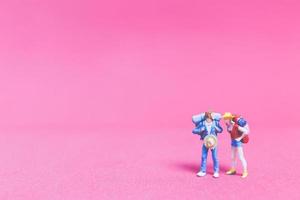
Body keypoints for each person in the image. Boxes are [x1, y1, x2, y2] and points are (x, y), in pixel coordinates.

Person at [192, 112, 223, 178]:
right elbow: (194, 131)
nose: (209, 120)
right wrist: (201, 129)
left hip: (213, 142)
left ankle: (216, 171)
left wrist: (215, 128)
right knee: (203, 156)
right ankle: (203, 171)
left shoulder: (215, 123)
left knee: (215, 157)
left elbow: (220, 130)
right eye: (208, 118)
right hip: (206, 142)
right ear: (205, 118)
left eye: (210, 118)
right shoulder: (202, 123)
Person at [223, 112, 249, 178]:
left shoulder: (236, 126)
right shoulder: (228, 125)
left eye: (226, 118)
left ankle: (245, 171)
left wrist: (240, 138)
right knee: (232, 157)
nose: (224, 120)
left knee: (241, 157)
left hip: (238, 143)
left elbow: (246, 131)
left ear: (229, 119)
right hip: (233, 142)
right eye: (224, 118)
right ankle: (233, 169)